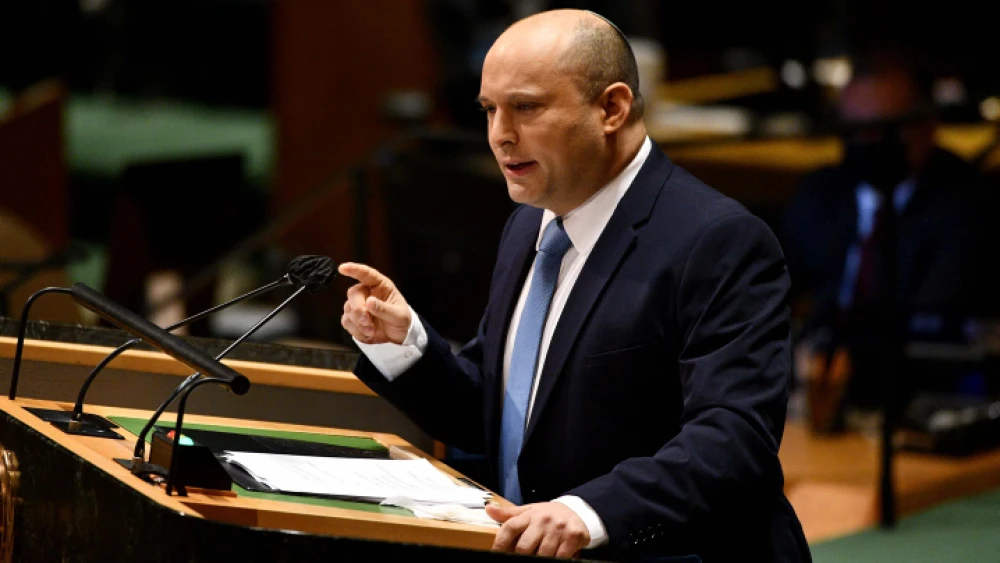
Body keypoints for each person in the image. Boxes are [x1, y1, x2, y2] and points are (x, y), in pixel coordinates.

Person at [340, 9, 809, 562]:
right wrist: (406, 347)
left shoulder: (719, 240)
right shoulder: (528, 225)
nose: (500, 135)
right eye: (490, 109)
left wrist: (589, 514)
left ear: (612, 107)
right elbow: (505, 420)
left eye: (527, 107)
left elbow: (734, 438)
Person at [780, 49, 992, 418]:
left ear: (925, 127)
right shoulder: (822, 194)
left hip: (907, 404)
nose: (864, 142)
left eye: (879, 130)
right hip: (807, 400)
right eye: (852, 130)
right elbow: (773, 292)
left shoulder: (966, 208)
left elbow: (926, 329)